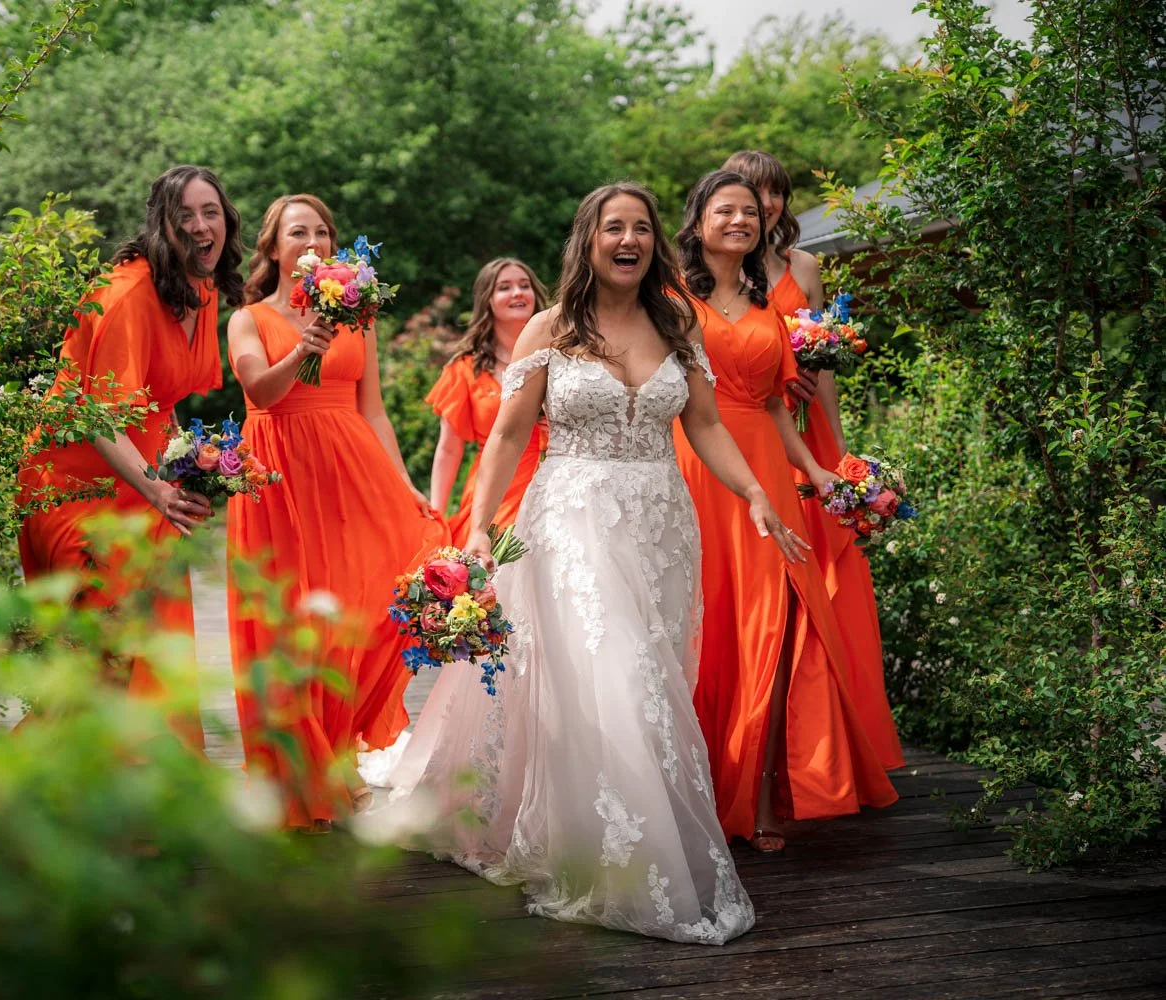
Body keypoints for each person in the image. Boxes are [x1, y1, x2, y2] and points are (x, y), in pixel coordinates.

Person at [382, 182, 799, 942]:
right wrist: (479, 531)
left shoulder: (676, 321)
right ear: (590, 239)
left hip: (661, 524)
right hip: (570, 516)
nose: (628, 239)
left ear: (655, 243)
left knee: (649, 675)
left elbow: (705, 423)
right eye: (614, 227)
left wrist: (753, 493)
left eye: (641, 227)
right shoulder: (550, 328)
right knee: (616, 671)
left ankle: (585, 829)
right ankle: (628, 864)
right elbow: (508, 434)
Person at [673, 170, 897, 853]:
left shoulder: (767, 302)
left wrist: (817, 471)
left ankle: (763, 794)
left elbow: (774, 405)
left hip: (768, 468)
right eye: (726, 210)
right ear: (699, 221)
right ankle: (696, 791)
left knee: (776, 620)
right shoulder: (670, 297)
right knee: (703, 625)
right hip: (694, 465)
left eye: (750, 211)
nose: (740, 220)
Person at [226, 194, 449, 831]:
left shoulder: (359, 316)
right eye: (299, 232)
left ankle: (339, 748)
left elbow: (372, 409)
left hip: (351, 473)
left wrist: (403, 484)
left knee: (363, 609)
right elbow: (260, 390)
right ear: (273, 248)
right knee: (294, 620)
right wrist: (304, 348)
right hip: (279, 483)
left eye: (323, 231)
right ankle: (302, 772)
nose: (314, 242)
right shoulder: (248, 319)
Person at [17, 165, 244, 749]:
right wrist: (158, 488)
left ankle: (152, 786)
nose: (200, 227)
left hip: (141, 479)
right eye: (185, 216)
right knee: (104, 656)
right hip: (74, 483)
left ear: (226, 220)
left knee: (154, 648)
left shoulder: (200, 288)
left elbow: (157, 398)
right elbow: (98, 415)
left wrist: (187, 469)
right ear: (162, 225)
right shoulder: (127, 296)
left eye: (210, 212)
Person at [722, 149, 903, 771]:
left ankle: (834, 743)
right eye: (753, 192)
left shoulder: (804, 266)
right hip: (750, 427)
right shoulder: (719, 273)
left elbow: (821, 366)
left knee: (829, 571)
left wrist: (840, 449)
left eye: (775, 192)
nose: (766, 203)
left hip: (807, 429)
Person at [425, 258, 549, 540]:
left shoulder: (560, 356)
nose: (517, 293)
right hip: (492, 486)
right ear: (487, 300)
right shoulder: (465, 369)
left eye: (524, 285)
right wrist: (437, 515)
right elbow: (449, 449)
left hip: (549, 480)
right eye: (504, 287)